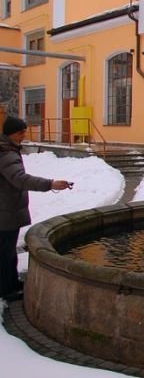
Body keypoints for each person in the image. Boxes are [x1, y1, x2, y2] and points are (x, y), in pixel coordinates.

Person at [0, 116, 71, 301]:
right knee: (6, 253)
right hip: (6, 212)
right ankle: (7, 289)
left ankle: (11, 283)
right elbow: (20, 179)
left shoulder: (7, 149)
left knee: (7, 251)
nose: (24, 135)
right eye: (20, 132)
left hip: (6, 209)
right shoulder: (6, 153)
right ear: (10, 134)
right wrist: (50, 184)